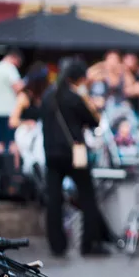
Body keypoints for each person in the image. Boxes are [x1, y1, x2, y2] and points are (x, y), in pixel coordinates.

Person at [41, 58, 112, 257]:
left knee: (54, 199)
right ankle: (89, 244)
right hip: (74, 155)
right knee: (87, 196)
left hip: (51, 154)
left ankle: (57, 245)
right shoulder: (74, 97)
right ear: (78, 78)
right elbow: (93, 121)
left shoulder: (48, 96)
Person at [10, 62, 50, 178]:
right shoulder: (24, 97)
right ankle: (32, 169)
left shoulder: (47, 96)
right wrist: (27, 123)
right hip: (27, 134)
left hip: (43, 133)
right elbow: (12, 121)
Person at [0, 49, 24, 153]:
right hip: (9, 111)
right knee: (13, 141)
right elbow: (18, 87)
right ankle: (13, 168)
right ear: (15, 58)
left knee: (0, 141)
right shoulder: (10, 68)